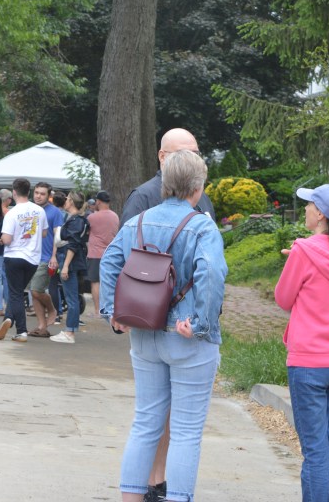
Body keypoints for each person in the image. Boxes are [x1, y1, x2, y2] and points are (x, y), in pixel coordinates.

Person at [100, 150, 227, 502]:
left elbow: (110, 261)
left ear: (165, 184)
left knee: (144, 424)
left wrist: (113, 312)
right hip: (186, 336)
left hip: (144, 332)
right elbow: (211, 273)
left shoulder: (137, 222)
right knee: (185, 431)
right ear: (198, 187)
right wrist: (201, 323)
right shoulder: (202, 226)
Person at [276, 184, 329, 502]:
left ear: (322, 214)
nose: (306, 209)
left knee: (314, 451)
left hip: (310, 362)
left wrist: (295, 261)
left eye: (310, 204)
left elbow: (283, 298)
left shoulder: (304, 250)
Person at [0, 178, 47, 343]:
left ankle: (21, 331)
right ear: (29, 192)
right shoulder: (39, 211)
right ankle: (8, 318)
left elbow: (7, 239)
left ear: (14, 192)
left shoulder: (12, 213)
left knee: (15, 294)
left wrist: (2, 239)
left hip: (14, 256)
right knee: (18, 291)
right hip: (32, 258)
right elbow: (44, 233)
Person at [52, 191, 89, 344]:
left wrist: (66, 266)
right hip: (70, 259)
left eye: (67, 199)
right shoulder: (77, 220)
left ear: (72, 202)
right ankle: (70, 330)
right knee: (72, 297)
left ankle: (70, 332)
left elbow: (73, 245)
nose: (65, 201)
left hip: (69, 261)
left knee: (71, 298)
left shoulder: (76, 221)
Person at [29, 181, 64, 337]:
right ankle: (42, 327)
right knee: (34, 292)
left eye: (42, 194)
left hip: (46, 257)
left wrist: (54, 256)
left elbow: (58, 236)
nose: (38, 196)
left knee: (36, 290)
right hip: (31, 256)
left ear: (49, 196)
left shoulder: (55, 212)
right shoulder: (30, 209)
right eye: (36, 193)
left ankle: (52, 309)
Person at [86, 190, 120, 318]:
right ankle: (110, 309)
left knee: (95, 282)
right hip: (110, 253)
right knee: (109, 282)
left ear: (98, 202)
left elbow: (86, 232)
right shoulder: (115, 216)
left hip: (95, 253)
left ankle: (97, 311)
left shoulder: (92, 217)